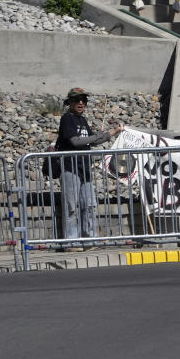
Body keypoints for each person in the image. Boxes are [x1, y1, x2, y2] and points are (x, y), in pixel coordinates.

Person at [55, 88, 123, 251]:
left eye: (83, 100)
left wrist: (112, 132)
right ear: (69, 102)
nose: (80, 103)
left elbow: (92, 141)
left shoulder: (82, 120)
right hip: (70, 167)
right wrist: (102, 135)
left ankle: (89, 239)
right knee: (71, 206)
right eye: (77, 100)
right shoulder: (67, 119)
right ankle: (71, 242)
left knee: (89, 204)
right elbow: (76, 142)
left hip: (84, 168)